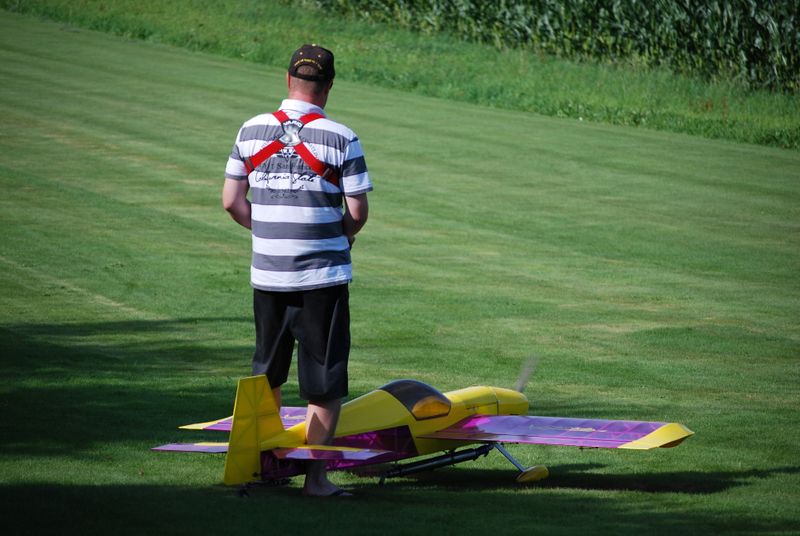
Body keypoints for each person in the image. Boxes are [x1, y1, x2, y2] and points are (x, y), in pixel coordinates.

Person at [221, 44, 371, 497]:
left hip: (267, 274)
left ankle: (263, 467)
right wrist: (338, 238)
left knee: (267, 374)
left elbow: (231, 201)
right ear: (329, 86)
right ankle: (316, 480)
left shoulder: (250, 129)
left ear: (288, 80)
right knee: (323, 381)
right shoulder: (342, 137)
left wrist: (268, 231)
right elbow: (357, 212)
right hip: (321, 278)